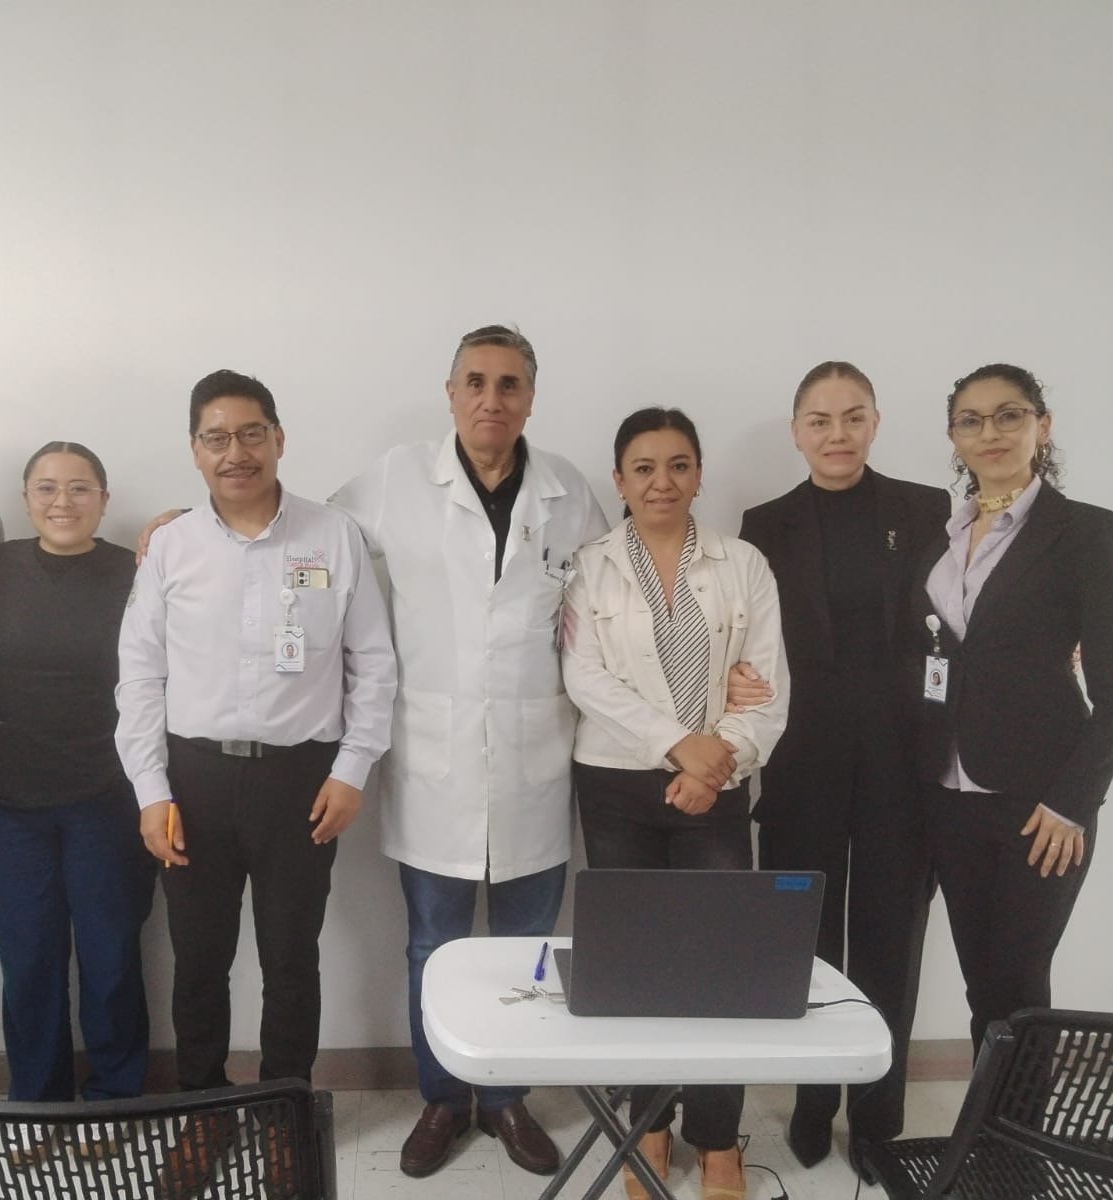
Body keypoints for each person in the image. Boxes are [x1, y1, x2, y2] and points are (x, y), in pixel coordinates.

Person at [329, 325, 608, 1179]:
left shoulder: (568, 491)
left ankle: (508, 1098)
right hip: (432, 760)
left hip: (535, 760)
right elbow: (309, 544)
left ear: (531, 397)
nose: (493, 399)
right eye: (476, 382)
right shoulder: (395, 479)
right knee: (434, 949)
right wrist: (187, 523)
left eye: (510, 384)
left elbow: (613, 600)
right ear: (450, 393)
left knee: (525, 949)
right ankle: (444, 1099)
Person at [115, 369, 395, 1192]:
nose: (234, 452)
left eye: (250, 434)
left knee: (290, 960)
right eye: (216, 438)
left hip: (301, 783)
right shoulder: (171, 546)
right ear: (195, 450)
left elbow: (374, 664)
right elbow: (139, 674)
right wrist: (151, 790)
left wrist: (352, 770)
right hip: (193, 781)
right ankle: (203, 1111)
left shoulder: (333, 536)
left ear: (278, 438)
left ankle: (283, 1112)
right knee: (199, 964)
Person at [561, 406, 788, 1200]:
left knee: (720, 960)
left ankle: (718, 1139)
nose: (663, 481)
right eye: (645, 468)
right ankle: (647, 1127)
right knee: (637, 963)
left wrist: (714, 762)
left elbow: (767, 684)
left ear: (698, 475)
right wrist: (676, 744)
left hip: (716, 783)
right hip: (615, 783)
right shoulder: (589, 566)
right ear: (619, 480)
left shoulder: (743, 563)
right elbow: (584, 678)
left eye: (679, 465)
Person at [736, 362, 949, 1174]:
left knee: (890, 942)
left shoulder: (926, 510)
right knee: (807, 941)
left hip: (903, 764)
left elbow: (958, 620)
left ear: (875, 423)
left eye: (853, 417)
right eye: (819, 421)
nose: (837, 434)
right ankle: (813, 1098)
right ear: (797, 432)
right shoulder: (765, 524)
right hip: (802, 764)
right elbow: (748, 638)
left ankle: (878, 1119)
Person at [912, 363, 1113, 1055]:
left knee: (1019, 987)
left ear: (1042, 425)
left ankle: (1019, 1125)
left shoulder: (1082, 531)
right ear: (954, 438)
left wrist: (1074, 802)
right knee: (983, 988)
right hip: (950, 795)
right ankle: (990, 1120)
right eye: (971, 420)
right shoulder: (941, 535)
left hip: (1040, 804)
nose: (990, 432)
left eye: (1008, 415)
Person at [0, 442, 154, 1106]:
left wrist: (177, 520)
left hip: (109, 793)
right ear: (25, 499)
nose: (62, 502)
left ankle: (114, 1099)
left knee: (110, 954)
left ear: (104, 498)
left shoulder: (135, 570)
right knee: (28, 958)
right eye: (46, 488)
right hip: (12, 797)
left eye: (79, 488)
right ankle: (37, 1101)